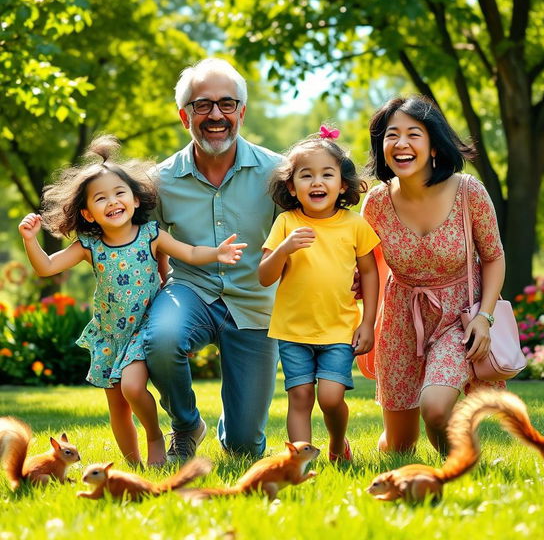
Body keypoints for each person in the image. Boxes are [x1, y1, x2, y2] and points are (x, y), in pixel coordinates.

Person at [18, 136, 246, 466]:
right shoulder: (89, 244)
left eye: (119, 193)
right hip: (110, 335)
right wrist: (29, 241)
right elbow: (46, 267)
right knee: (118, 407)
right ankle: (133, 464)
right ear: (88, 213)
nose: (112, 202)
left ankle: (155, 436)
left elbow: (190, 253)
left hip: (145, 328)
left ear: (136, 200)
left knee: (133, 388)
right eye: (101, 198)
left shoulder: (151, 235)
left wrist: (218, 253)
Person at [143, 57, 281, 462]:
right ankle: (187, 426)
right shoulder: (159, 182)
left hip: (256, 305)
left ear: (242, 111)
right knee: (162, 338)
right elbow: (145, 249)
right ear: (184, 115)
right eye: (203, 105)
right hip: (192, 293)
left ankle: (233, 429)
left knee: (243, 448)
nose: (216, 115)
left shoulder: (278, 173)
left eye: (226, 103)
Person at [362, 95, 506, 454]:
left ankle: (461, 466)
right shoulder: (376, 203)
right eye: (391, 135)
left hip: (459, 316)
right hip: (401, 318)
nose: (401, 144)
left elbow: (494, 257)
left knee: (436, 409)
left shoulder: (468, 191)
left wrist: (484, 318)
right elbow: (363, 265)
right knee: (398, 447)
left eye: (414, 134)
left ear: (434, 146)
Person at [258, 128, 379, 462]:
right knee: (299, 397)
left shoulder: (354, 224)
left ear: (342, 184)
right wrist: (283, 249)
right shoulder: (286, 222)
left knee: (329, 397)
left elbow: (369, 272)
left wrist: (368, 323)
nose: (316, 182)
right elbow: (265, 276)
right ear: (292, 187)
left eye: (327, 174)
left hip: (339, 329)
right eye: (306, 175)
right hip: (293, 330)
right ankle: (300, 463)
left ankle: (338, 442)